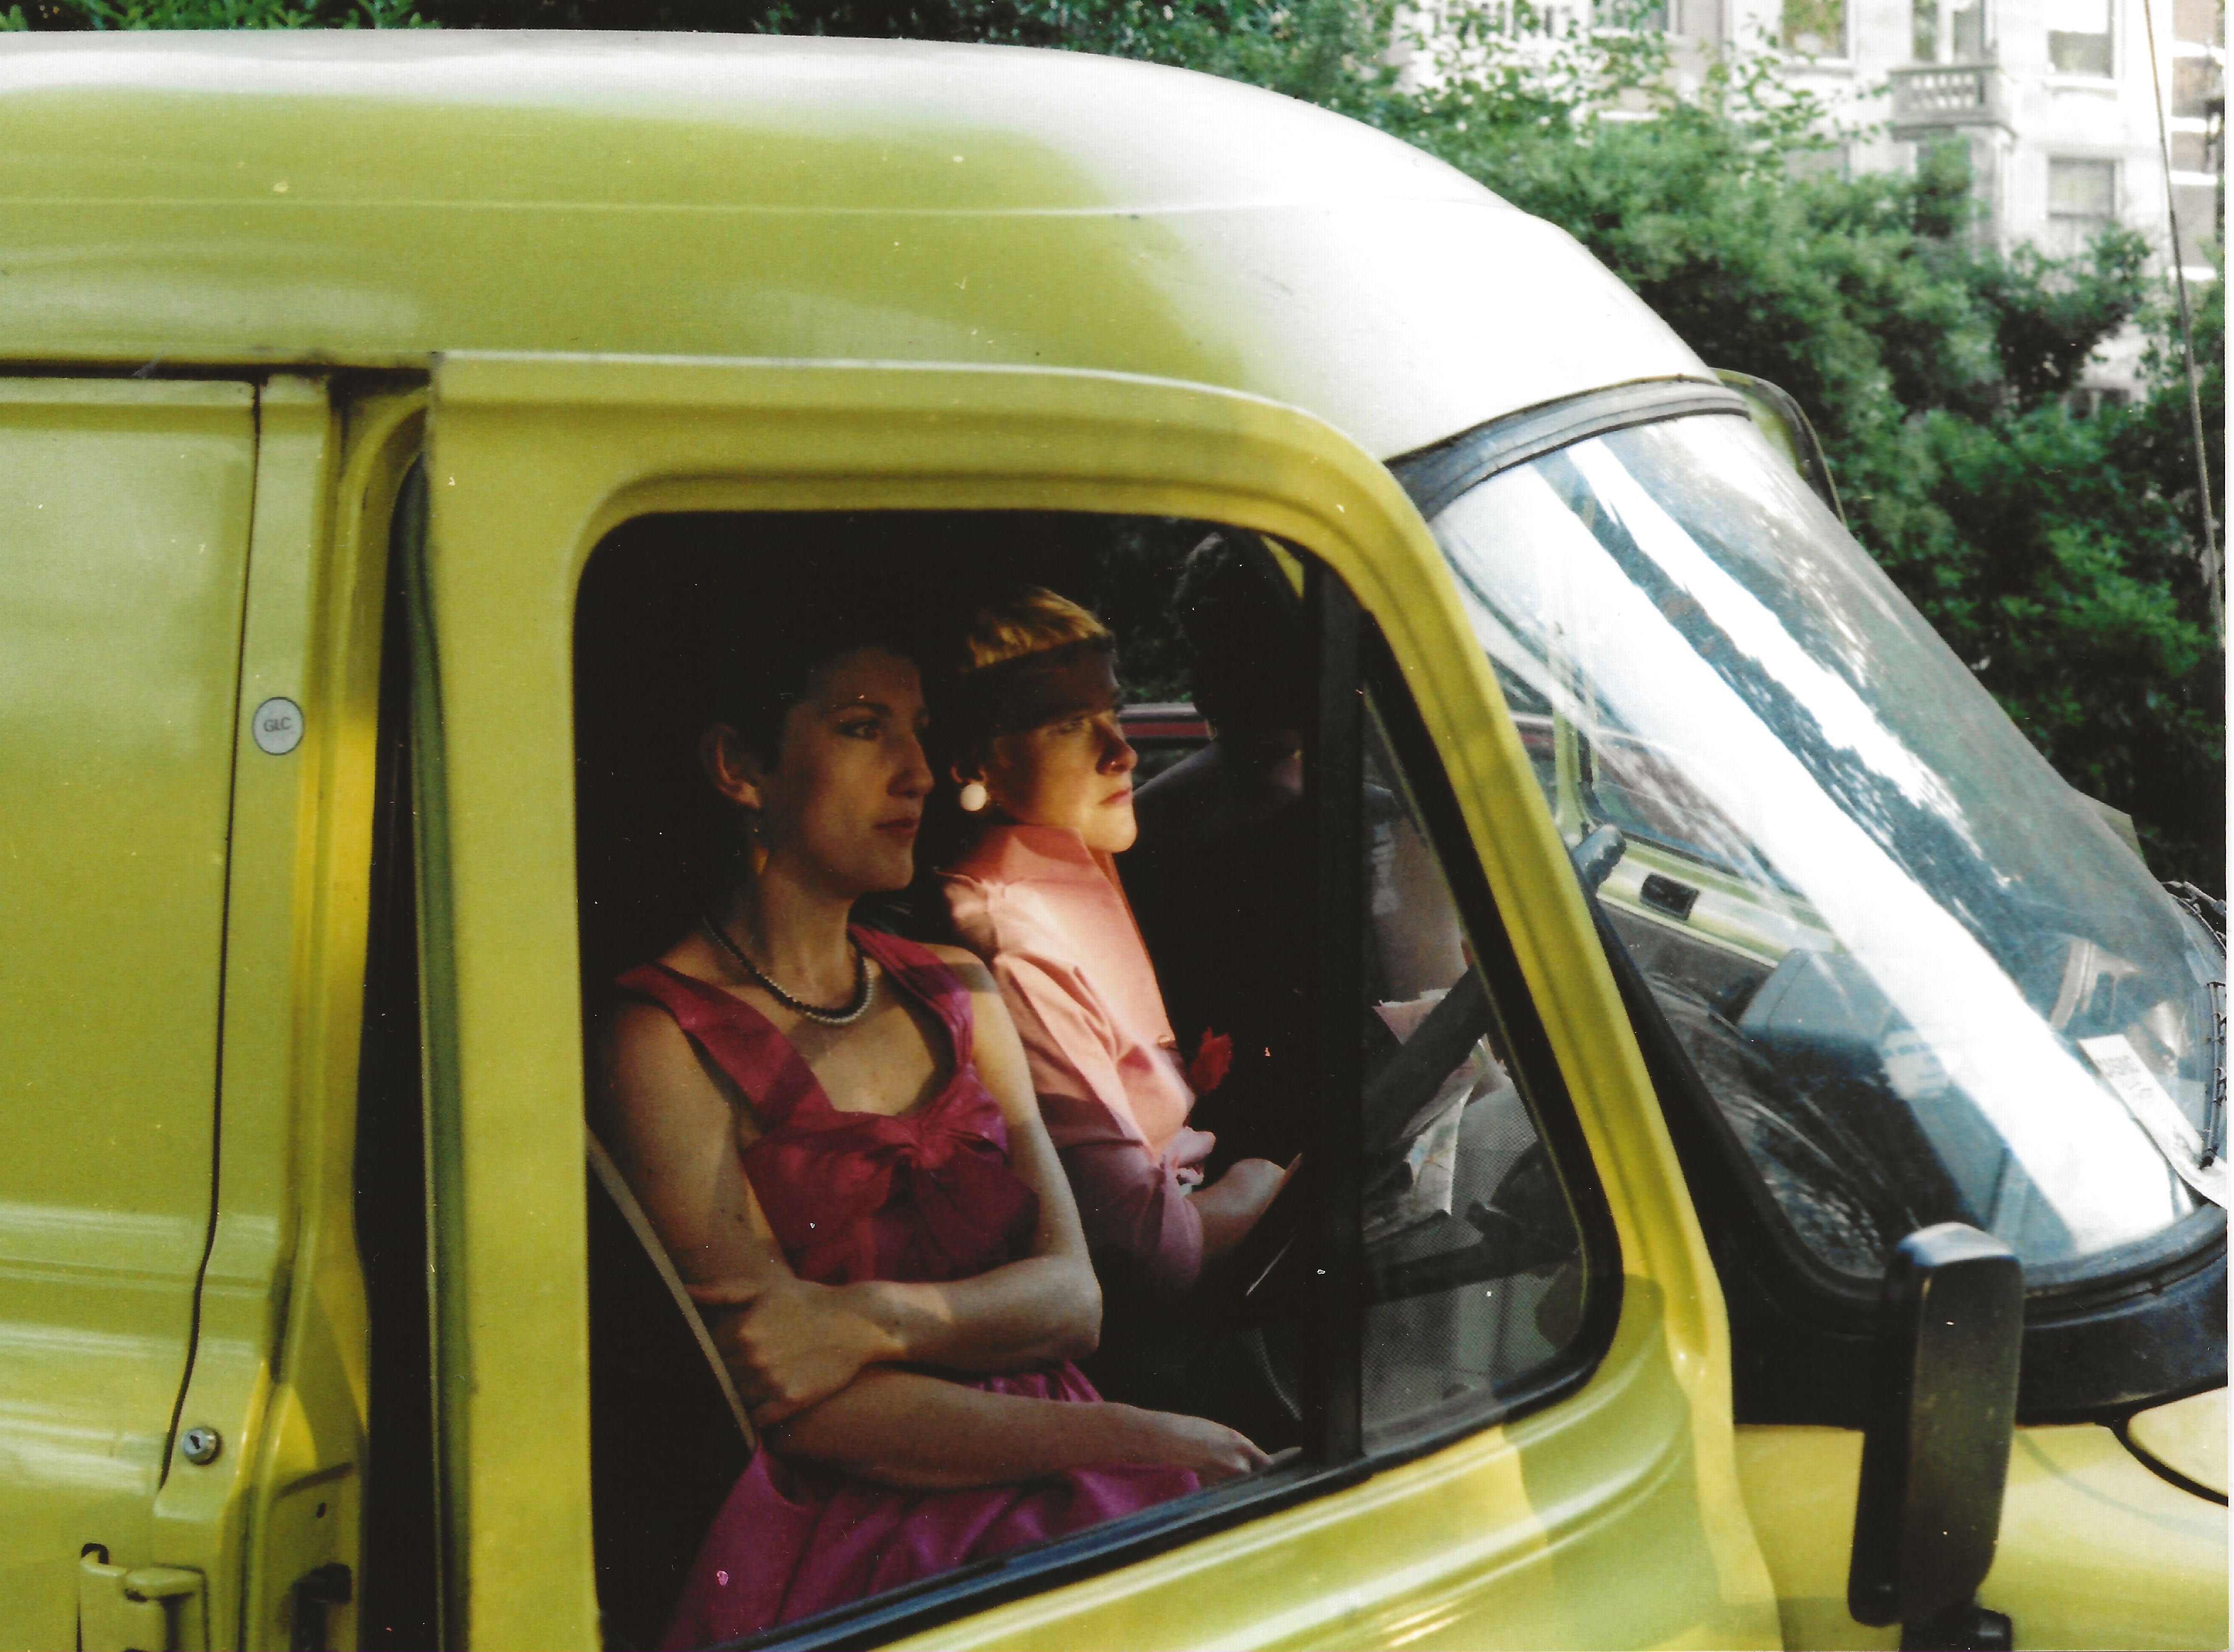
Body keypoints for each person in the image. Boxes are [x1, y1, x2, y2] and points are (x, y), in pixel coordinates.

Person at [588, 583, 1265, 1648]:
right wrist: (1136, 1435)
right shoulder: (662, 1037)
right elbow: (792, 1395)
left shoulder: (958, 987)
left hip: (1067, 1454)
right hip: (869, 1531)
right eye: (864, 730)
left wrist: (863, 1322)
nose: (914, 771)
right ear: (739, 768)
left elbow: (1074, 1301)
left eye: (918, 731)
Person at [932, 586, 1288, 1308]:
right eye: (1069, 726)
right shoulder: (1012, 941)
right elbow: (1143, 1252)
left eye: (1113, 714)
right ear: (974, 763)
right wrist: (1268, 1185)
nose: (1122, 753)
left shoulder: (1068, 876)